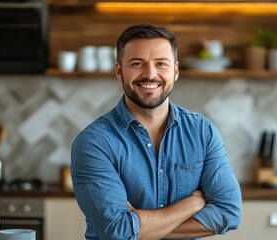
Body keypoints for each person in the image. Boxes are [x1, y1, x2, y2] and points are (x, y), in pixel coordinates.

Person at [71, 23, 242, 240]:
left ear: (176, 71)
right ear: (119, 71)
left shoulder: (202, 132)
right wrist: (193, 203)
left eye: (161, 64)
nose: (150, 74)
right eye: (137, 64)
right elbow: (118, 231)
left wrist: (141, 228)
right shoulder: (94, 142)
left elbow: (229, 212)